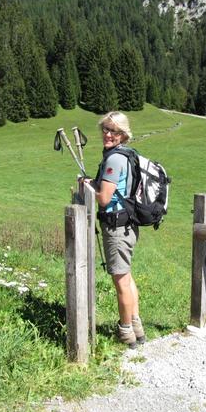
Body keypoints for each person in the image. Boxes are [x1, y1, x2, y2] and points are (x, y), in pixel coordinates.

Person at [81, 111, 145, 348]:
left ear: (123, 134)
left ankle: (126, 331)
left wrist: (87, 187)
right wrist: (94, 182)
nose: (108, 134)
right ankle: (136, 327)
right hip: (127, 224)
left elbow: (104, 198)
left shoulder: (114, 159)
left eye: (114, 131)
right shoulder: (127, 155)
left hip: (116, 228)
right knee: (126, 277)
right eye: (105, 129)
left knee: (121, 282)